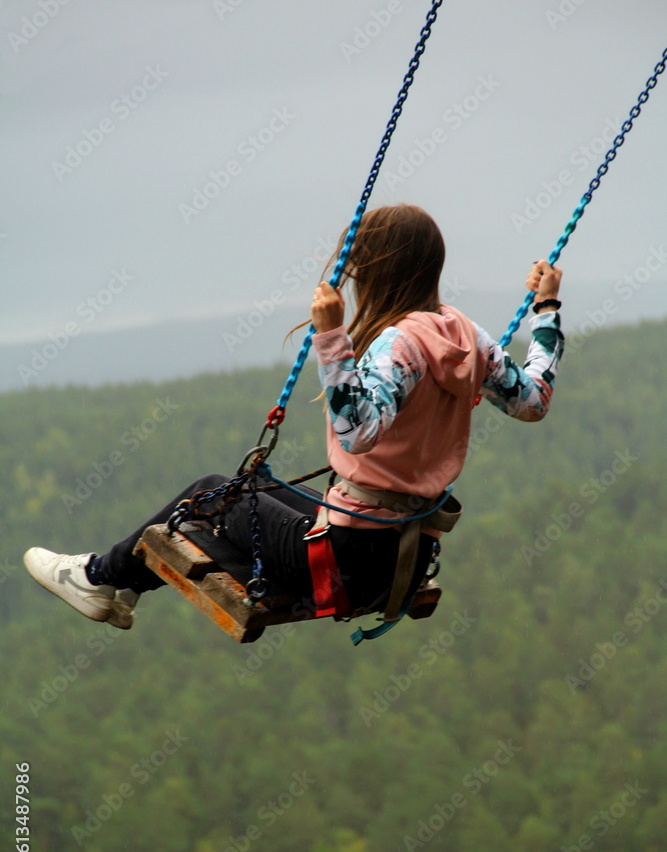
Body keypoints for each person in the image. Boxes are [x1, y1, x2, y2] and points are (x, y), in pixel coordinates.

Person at [23, 204, 563, 630]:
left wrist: (332, 337)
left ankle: (97, 577)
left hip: (348, 557)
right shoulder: (465, 333)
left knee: (213, 491)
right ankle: (120, 586)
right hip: (405, 546)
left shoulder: (400, 345)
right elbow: (533, 399)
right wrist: (546, 311)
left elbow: (357, 432)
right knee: (250, 483)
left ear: (375, 273)